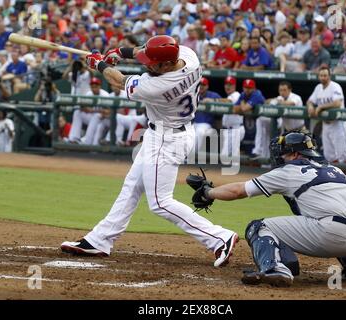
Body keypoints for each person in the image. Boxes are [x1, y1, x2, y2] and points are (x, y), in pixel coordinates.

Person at [61, 35, 238, 267]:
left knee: (160, 202)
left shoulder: (160, 86)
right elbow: (145, 51)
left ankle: (219, 237)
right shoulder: (188, 56)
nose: (147, 64)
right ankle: (99, 240)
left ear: (165, 65)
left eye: (152, 63)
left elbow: (118, 81)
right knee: (132, 186)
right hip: (164, 133)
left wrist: (99, 65)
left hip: (168, 138)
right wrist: (120, 52)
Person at [190, 131, 346, 286]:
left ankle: (275, 268)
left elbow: (238, 191)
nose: (280, 156)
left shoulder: (288, 171)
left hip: (332, 235)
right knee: (336, 219)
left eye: (284, 153)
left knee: (258, 227)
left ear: (295, 155)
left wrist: (208, 192)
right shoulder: (334, 170)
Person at [307, 67, 346, 164]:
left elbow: (337, 103)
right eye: (321, 75)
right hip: (326, 124)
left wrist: (321, 106)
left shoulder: (335, 86)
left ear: (329, 76)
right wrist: (310, 106)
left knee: (342, 154)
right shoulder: (318, 88)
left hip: (338, 124)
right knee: (329, 154)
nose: (323, 78)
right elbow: (310, 101)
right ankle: (334, 175)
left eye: (325, 75)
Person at [233, 79, 266, 160]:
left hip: (266, 122)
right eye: (246, 87)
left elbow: (243, 109)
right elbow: (234, 109)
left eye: (249, 88)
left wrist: (242, 104)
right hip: (254, 123)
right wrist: (244, 106)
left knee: (265, 149)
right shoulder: (243, 94)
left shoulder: (257, 95)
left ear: (254, 88)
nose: (247, 90)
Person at [194, 77, 221, 153]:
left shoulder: (212, 95)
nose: (201, 87)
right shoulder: (194, 94)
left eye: (204, 85)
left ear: (207, 86)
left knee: (199, 132)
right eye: (200, 85)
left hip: (206, 124)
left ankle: (193, 155)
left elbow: (227, 101)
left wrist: (213, 101)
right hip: (193, 123)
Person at [219, 76, 243, 159]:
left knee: (230, 156)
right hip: (228, 130)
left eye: (230, 84)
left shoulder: (236, 95)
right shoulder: (229, 96)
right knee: (226, 156)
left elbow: (228, 101)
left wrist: (214, 100)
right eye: (226, 84)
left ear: (234, 86)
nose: (228, 86)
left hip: (236, 129)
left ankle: (243, 171)